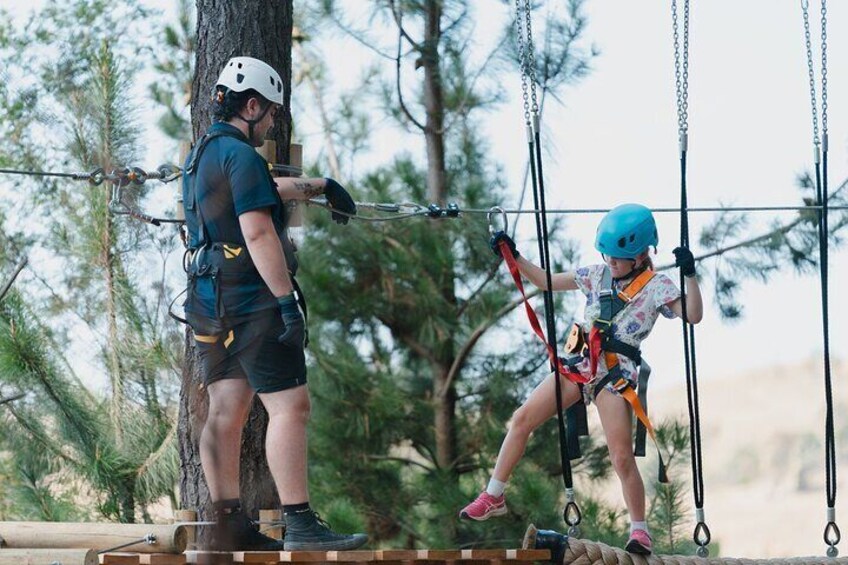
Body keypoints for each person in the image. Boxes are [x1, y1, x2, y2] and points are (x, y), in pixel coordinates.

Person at [181, 56, 367, 552]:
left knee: (226, 408)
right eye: (269, 116)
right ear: (252, 105)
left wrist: (322, 187)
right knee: (290, 406)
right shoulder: (241, 156)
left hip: (208, 300)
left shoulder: (205, 155)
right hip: (252, 300)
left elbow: (265, 187)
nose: (270, 125)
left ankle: (228, 524)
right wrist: (287, 302)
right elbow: (258, 227)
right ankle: (300, 522)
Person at [459, 203, 703, 555]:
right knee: (522, 418)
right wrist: (513, 254)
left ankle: (640, 529)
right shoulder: (595, 274)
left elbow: (693, 315)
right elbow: (543, 281)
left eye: (619, 257)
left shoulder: (657, 287)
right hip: (579, 365)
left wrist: (690, 274)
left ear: (641, 255)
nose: (611, 262)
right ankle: (493, 494)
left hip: (614, 375)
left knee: (620, 456)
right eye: (607, 255)